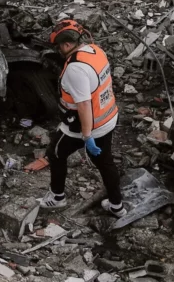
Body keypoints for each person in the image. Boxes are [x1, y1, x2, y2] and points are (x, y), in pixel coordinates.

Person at [39, 20, 124, 218]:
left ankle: (57, 197)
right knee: (105, 162)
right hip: (108, 117)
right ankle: (117, 206)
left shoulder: (75, 69)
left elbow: (84, 104)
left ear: (67, 44)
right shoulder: (95, 51)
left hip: (84, 126)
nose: (58, 50)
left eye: (59, 46)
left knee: (55, 153)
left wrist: (87, 136)